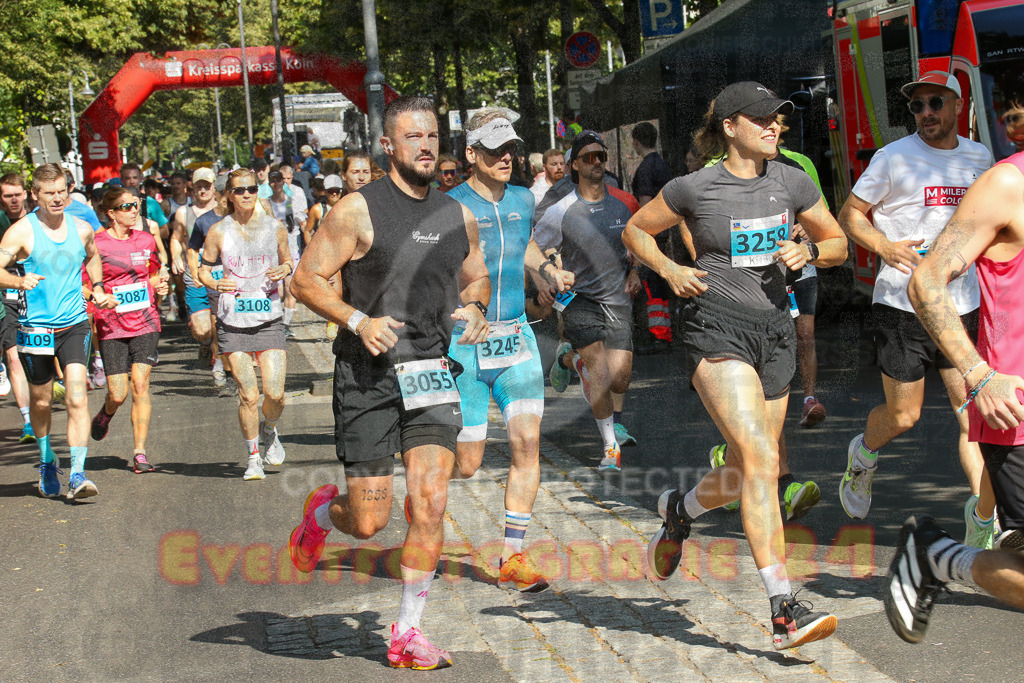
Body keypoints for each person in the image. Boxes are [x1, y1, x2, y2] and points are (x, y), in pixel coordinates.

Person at [624, 82, 847, 649]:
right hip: (715, 326)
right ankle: (783, 608)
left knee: (755, 468)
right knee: (762, 458)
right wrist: (670, 271)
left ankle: (681, 511)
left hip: (774, 331)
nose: (775, 127)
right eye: (762, 119)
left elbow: (839, 243)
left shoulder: (792, 180)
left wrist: (810, 251)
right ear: (729, 126)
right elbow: (636, 229)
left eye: (779, 119)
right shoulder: (693, 187)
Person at [288, 95, 490, 671]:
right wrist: (358, 320)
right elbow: (306, 280)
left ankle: (407, 632)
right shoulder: (357, 210)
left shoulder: (457, 214)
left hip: (430, 372)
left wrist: (476, 307)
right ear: (387, 145)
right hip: (368, 377)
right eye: (412, 137)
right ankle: (322, 516)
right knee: (369, 521)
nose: (425, 146)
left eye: (432, 136)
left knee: (431, 502)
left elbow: (475, 275)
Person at [837, 71, 997, 549]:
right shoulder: (893, 157)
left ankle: (984, 523)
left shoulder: (979, 157)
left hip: (961, 303)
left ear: (957, 105)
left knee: (973, 418)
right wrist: (884, 246)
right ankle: (863, 454)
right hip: (901, 304)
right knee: (904, 415)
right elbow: (850, 214)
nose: (926, 113)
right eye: (917, 106)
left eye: (935, 103)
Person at [884, 144, 1024, 646]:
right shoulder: (1007, 185)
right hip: (1015, 413)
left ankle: (937, 556)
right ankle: (938, 556)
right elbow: (926, 282)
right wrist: (978, 374)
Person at [446, 109, 574, 591]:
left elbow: (525, 245)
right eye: (495, 149)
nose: (506, 157)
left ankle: (512, 556)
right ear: (471, 153)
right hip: (465, 342)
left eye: (511, 148)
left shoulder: (523, 197)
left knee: (527, 443)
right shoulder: (449, 205)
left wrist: (548, 272)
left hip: (516, 337)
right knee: (467, 464)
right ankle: (422, 477)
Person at [0, 163, 115, 500]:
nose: (57, 198)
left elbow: (92, 255)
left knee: (77, 395)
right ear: (35, 194)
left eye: (62, 191)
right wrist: (19, 281)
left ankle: (78, 474)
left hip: (74, 323)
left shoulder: (81, 227)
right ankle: (47, 460)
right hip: (35, 328)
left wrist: (97, 287)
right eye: (49, 193)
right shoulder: (21, 232)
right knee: (41, 400)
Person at [535, 130, 641, 470]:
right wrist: (550, 273)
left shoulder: (623, 204)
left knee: (620, 378)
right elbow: (534, 246)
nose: (597, 162)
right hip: (580, 299)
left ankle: (571, 360)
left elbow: (638, 243)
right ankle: (610, 447)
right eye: (589, 157)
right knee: (600, 373)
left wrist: (636, 271)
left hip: (617, 300)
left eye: (601, 156)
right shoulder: (561, 210)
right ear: (575, 166)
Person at [198, 169, 292, 480]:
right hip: (233, 322)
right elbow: (203, 270)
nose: (247, 194)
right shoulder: (218, 231)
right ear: (229, 194)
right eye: (239, 190)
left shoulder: (274, 227)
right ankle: (253, 458)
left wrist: (284, 269)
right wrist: (215, 282)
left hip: (268, 320)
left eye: (252, 188)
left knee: (275, 394)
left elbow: (288, 261)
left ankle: (271, 428)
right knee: (249, 394)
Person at [89, 188, 168, 472]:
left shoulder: (145, 239)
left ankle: (140, 453)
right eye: (127, 207)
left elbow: (155, 273)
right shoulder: (97, 244)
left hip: (146, 321)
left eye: (136, 205)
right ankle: (106, 411)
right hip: (112, 325)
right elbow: (84, 284)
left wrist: (161, 285)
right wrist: (97, 296)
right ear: (111, 213)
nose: (134, 210)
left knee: (140, 385)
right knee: (118, 394)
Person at [630, 122, 675, 354]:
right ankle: (664, 333)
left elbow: (645, 206)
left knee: (650, 286)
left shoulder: (645, 169)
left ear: (636, 142)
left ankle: (658, 335)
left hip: (651, 235)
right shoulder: (663, 165)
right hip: (666, 232)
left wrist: (641, 236)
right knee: (660, 284)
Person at [171, 168, 220, 365]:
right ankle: (206, 341)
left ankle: (220, 359)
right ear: (192, 187)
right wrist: (176, 256)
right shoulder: (184, 212)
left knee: (224, 321)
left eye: (207, 186)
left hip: (220, 274)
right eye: (199, 186)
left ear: (214, 186)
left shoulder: (225, 211)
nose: (203, 190)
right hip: (195, 275)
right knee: (202, 330)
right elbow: (176, 238)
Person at [0, 172, 34, 442]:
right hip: (7, 294)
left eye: (16, 194)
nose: (13, 200)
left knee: (39, 354)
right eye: (7, 195)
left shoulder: (37, 221)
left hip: (39, 293)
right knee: (13, 354)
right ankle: (28, 422)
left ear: (25, 194)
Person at [268, 168, 308, 337]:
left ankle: (285, 324)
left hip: (291, 249)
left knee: (290, 287)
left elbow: (304, 223)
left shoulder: (292, 201)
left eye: (280, 180)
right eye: (274, 180)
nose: (277, 183)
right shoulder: (266, 203)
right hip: (272, 252)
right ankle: (275, 321)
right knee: (278, 290)